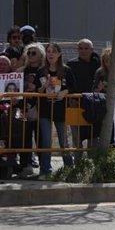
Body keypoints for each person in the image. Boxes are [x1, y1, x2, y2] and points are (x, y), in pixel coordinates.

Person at [38, 43, 76, 175]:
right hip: (45, 110)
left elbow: (73, 86)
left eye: (53, 51)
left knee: (63, 141)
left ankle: (69, 170)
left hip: (61, 110)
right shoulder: (41, 70)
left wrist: (65, 91)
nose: (50, 54)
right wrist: (45, 85)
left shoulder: (66, 70)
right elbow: (37, 90)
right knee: (46, 141)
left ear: (59, 54)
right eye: (48, 51)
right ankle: (45, 171)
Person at [17, 43, 46, 177]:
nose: (30, 55)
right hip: (24, 109)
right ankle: (25, 166)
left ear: (41, 55)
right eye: (28, 53)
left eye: (33, 53)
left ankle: (43, 167)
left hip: (41, 110)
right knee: (24, 139)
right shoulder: (21, 71)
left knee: (41, 139)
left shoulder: (45, 71)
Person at [67, 39, 101, 154]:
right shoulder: (70, 64)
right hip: (75, 104)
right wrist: (72, 98)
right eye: (80, 48)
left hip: (94, 105)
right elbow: (68, 84)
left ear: (92, 50)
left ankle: (93, 165)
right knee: (77, 138)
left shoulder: (98, 64)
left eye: (86, 48)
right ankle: (78, 165)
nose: (83, 51)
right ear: (77, 50)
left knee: (93, 136)